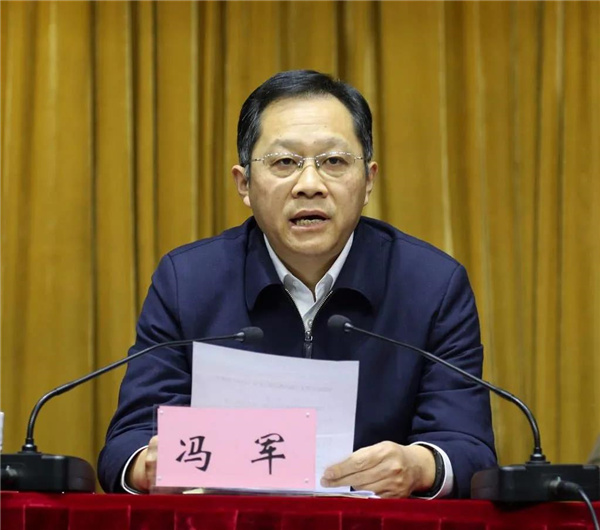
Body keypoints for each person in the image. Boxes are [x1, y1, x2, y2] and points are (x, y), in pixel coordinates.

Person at [98, 70, 496, 498]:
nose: (310, 185)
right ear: (244, 184)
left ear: (368, 182)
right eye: (284, 162)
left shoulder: (431, 286)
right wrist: (148, 466)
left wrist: (420, 465)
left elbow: (468, 447)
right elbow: (128, 442)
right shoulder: (189, 281)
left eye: (334, 162)